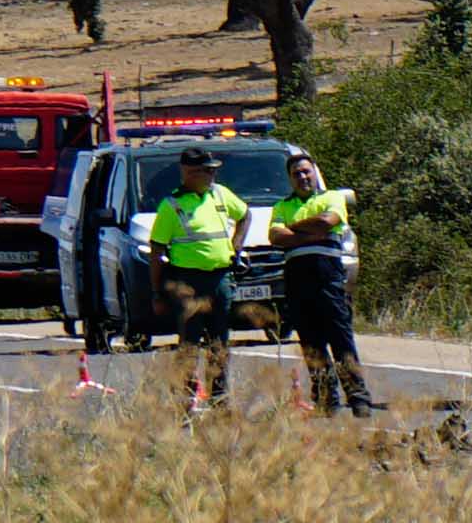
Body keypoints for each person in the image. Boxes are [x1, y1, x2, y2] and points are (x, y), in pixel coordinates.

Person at [269, 153, 371, 418]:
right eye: (296, 174)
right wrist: (309, 230)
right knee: (311, 343)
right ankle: (327, 398)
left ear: (314, 172)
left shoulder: (331, 198)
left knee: (341, 338)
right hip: (298, 279)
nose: (303, 177)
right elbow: (276, 236)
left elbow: (328, 222)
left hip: (328, 277)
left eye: (306, 172)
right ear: (290, 179)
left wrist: (294, 230)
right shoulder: (282, 206)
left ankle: (358, 397)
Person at [148, 144, 249, 406]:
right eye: (206, 171)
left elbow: (245, 215)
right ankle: (186, 397)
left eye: (212, 170)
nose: (212, 176)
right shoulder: (171, 206)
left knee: (219, 343)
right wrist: (157, 292)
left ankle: (220, 398)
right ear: (189, 173)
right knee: (190, 343)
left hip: (220, 278)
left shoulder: (220, 195)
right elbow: (156, 250)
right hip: (188, 283)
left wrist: (237, 245)